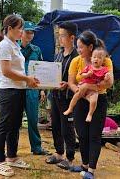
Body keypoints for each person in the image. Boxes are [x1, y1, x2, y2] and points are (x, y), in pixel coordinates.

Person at [0, 14, 39, 177]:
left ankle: (12, 156)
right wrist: (27, 78)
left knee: (15, 125)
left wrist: (29, 80)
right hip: (9, 90)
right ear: (10, 29)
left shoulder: (14, 45)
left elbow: (18, 70)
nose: (22, 31)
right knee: (4, 125)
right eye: (20, 28)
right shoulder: (4, 45)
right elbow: (6, 71)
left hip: (19, 89)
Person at [68, 30, 114, 179]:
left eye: (81, 47)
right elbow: (71, 83)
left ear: (90, 47)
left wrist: (89, 88)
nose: (78, 50)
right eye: (77, 47)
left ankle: (91, 170)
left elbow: (109, 83)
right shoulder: (76, 61)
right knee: (82, 134)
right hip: (80, 100)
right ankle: (84, 165)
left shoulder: (105, 60)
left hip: (98, 101)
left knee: (94, 135)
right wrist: (82, 92)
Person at [45, 22, 78, 170]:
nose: (60, 38)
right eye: (59, 35)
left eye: (63, 35)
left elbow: (80, 78)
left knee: (67, 128)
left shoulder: (77, 57)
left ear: (72, 38)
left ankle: (70, 158)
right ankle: (59, 153)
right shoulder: (58, 55)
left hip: (69, 98)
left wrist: (69, 84)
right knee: (56, 126)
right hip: (56, 96)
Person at [20, 21, 50, 155]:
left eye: (32, 32)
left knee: (33, 119)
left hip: (32, 89)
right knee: (14, 120)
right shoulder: (14, 48)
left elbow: (41, 70)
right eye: (27, 32)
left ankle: (36, 147)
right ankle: (11, 149)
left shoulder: (36, 50)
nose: (30, 35)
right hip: (17, 88)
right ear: (21, 32)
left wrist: (42, 89)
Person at [63, 47, 110, 122]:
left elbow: (106, 78)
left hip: (93, 89)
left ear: (103, 60)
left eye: (99, 58)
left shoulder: (104, 69)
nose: (96, 59)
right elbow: (82, 75)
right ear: (91, 59)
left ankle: (90, 114)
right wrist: (88, 74)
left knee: (94, 101)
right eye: (94, 57)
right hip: (84, 86)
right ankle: (70, 108)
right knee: (76, 96)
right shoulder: (89, 67)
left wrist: (107, 77)